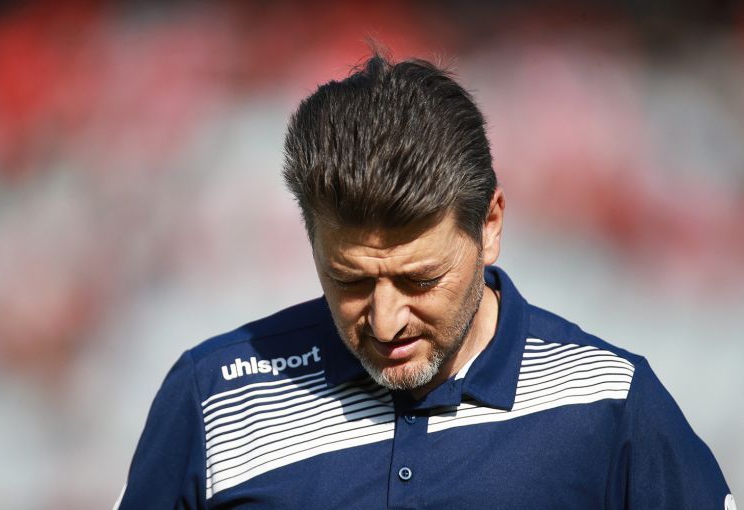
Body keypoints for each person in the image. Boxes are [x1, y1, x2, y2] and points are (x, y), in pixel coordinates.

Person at [115, 53, 735, 509]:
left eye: (419, 280)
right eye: (350, 280)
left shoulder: (610, 404)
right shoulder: (213, 396)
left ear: (489, 226)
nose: (385, 322)